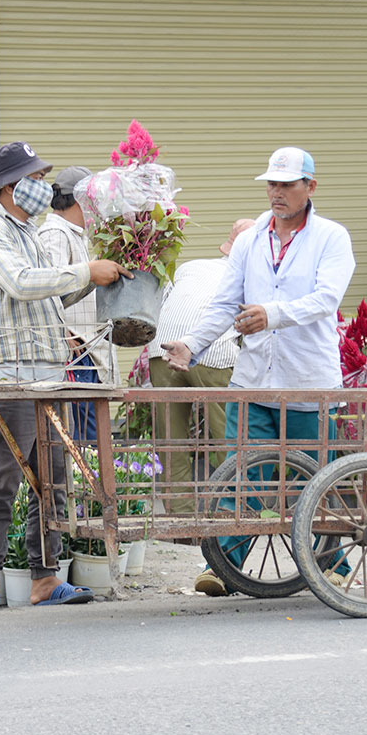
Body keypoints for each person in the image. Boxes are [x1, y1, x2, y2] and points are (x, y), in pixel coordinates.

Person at [160, 146, 355, 596]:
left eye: (287, 184)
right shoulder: (249, 241)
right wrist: (192, 344)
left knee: (314, 477)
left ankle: (331, 564)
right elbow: (226, 303)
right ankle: (225, 565)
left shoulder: (331, 238)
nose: (278, 193)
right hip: (253, 382)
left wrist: (273, 313)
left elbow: (326, 300)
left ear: (310, 187)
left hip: (308, 382)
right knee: (240, 474)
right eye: (272, 184)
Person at [0, 141, 131, 610]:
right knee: (1, 477)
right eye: (34, 180)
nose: (42, 187)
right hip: (6, 374)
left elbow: (49, 296)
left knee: (52, 479)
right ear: (11, 187)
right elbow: (19, 282)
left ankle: (45, 578)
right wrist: (82, 271)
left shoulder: (29, 231)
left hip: (46, 373)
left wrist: (100, 281)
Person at [147, 218, 255, 514]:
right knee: (225, 434)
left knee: (170, 438)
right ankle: (233, 511)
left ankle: (180, 516)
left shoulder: (191, 267)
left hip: (163, 349)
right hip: (212, 353)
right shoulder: (253, 278)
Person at [37, 165, 117, 443]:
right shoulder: (55, 234)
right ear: (80, 200)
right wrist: (60, 330)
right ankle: (85, 486)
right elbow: (48, 287)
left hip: (86, 352)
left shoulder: (74, 234)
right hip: (75, 353)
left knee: (93, 436)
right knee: (86, 439)